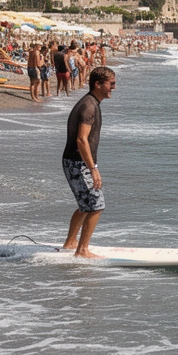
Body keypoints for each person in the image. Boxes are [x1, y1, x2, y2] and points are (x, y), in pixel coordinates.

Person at [61, 66, 116, 258]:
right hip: (79, 163)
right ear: (98, 84)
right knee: (96, 205)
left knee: (86, 204)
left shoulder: (91, 103)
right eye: (111, 84)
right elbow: (81, 140)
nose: (114, 88)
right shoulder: (89, 106)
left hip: (75, 161)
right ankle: (82, 250)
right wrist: (93, 169)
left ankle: (70, 242)